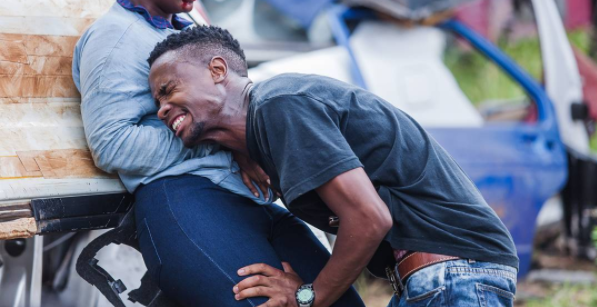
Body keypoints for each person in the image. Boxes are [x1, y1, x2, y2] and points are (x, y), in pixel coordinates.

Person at [72, 0, 364, 307]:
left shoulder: (186, 30)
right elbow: (113, 144)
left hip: (249, 202)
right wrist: (222, 141)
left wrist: (245, 145)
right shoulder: (114, 39)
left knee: (336, 301)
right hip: (188, 199)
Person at [148, 25, 520, 307]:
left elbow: (369, 218)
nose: (162, 109)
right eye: (156, 103)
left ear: (217, 70)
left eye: (168, 90)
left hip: (454, 274)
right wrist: (242, 153)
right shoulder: (268, 124)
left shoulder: (282, 104)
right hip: (434, 277)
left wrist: (308, 296)